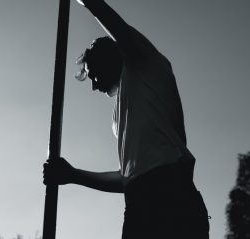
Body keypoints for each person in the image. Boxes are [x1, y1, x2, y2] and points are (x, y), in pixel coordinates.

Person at [43, 0, 210, 238]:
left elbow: (112, 21)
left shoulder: (145, 63)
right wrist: (73, 175)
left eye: (93, 75)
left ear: (108, 58)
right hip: (138, 203)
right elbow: (128, 177)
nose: (93, 86)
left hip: (171, 194)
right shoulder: (120, 116)